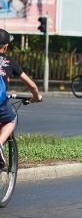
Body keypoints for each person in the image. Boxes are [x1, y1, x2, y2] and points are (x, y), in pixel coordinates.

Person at [0, 29, 43, 168]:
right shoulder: (9, 61)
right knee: (12, 119)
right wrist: (36, 97)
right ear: (5, 46)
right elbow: (32, 85)